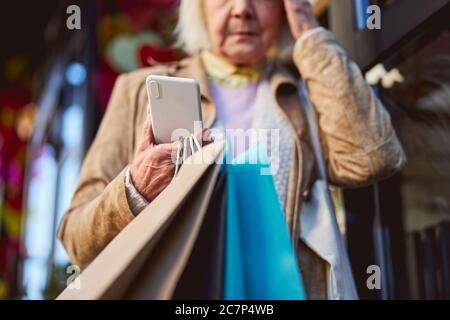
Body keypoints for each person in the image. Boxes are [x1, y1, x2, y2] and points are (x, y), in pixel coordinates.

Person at [58, 0, 406, 299]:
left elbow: (374, 158)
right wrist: (135, 191)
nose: (242, 10)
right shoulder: (137, 92)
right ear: (200, 9)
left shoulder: (309, 92)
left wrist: (309, 31)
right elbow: (77, 241)